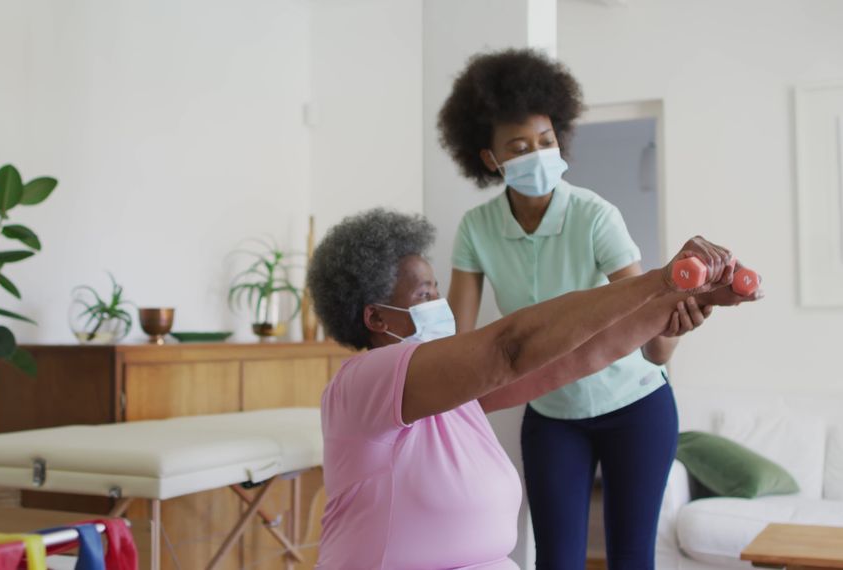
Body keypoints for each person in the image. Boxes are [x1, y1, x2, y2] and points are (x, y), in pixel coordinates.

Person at [306, 208, 759, 569]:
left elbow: (573, 359)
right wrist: (659, 279)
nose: (440, 304)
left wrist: (680, 301)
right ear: (376, 319)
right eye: (425, 295)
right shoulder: (364, 381)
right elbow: (511, 348)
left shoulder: (449, 397)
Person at [437, 47, 730, 568]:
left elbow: (658, 350)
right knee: (556, 561)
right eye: (519, 147)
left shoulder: (595, 216)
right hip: (553, 417)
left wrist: (683, 316)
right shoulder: (477, 229)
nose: (537, 154)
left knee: (630, 558)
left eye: (546, 141)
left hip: (637, 407)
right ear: (490, 158)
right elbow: (458, 345)